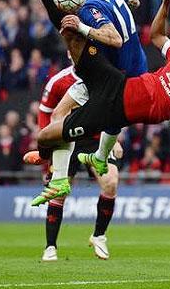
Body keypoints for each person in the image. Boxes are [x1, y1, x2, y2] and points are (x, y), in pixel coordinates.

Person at [33, 0, 170, 206]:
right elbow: (157, 35)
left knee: (44, 137)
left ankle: (54, 166)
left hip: (111, 110)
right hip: (117, 81)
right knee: (72, 35)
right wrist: (166, 4)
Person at [19, 0, 146, 202]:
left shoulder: (88, 11)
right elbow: (135, 2)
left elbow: (115, 39)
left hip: (115, 77)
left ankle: (55, 169)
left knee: (71, 32)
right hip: (130, 65)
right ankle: (59, 178)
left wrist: (83, 25)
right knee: (59, 113)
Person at [33, 63, 122, 261]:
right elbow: (44, 112)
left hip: (96, 139)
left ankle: (99, 236)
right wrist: (47, 148)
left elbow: (115, 109)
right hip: (66, 139)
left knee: (111, 182)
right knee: (59, 192)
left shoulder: (104, 76)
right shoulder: (58, 81)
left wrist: (116, 139)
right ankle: (50, 247)